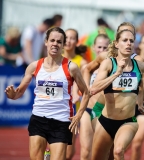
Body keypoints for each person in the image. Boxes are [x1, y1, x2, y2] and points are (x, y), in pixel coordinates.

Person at [5, 27, 90, 160]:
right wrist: (12, 95)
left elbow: (86, 93)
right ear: (46, 42)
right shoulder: (34, 66)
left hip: (61, 120)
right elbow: (18, 92)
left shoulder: (71, 67)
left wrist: (79, 115)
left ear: (63, 45)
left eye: (59, 41)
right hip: (39, 119)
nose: (55, 44)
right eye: (52, 40)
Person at [90, 29, 144, 160]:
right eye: (125, 40)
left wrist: (140, 103)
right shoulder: (108, 63)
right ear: (116, 44)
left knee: (118, 151)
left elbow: (142, 88)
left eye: (131, 41)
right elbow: (94, 88)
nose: (128, 43)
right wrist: (117, 73)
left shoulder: (140, 66)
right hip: (106, 121)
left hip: (128, 121)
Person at [78, 31, 110, 160]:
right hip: (88, 110)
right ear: (93, 47)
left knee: (105, 153)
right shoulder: (88, 67)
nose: (102, 50)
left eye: (105, 47)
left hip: (105, 112)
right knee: (86, 151)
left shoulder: (113, 67)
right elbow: (79, 88)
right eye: (99, 47)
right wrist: (80, 93)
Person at [63, 28, 87, 160]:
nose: (68, 41)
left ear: (77, 41)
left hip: (73, 110)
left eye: (72, 38)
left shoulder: (81, 62)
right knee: (55, 147)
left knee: (69, 153)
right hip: (55, 108)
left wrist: (76, 93)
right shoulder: (54, 58)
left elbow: (82, 84)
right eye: (66, 37)